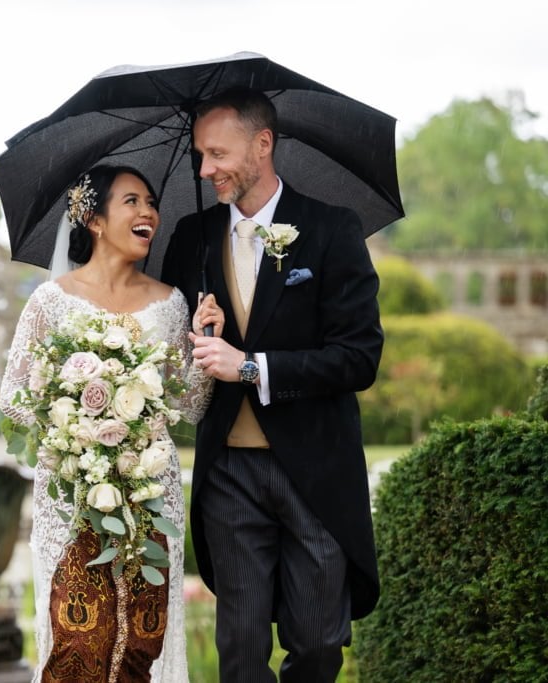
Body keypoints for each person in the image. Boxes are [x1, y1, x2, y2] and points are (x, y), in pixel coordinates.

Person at [161, 87, 383, 682]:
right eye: (201, 156)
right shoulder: (192, 239)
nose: (206, 170)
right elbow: (175, 365)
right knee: (239, 649)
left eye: (218, 154)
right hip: (228, 474)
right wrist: (197, 339)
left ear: (263, 144)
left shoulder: (334, 231)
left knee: (316, 644)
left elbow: (359, 358)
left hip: (313, 471)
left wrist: (253, 365)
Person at [0, 164, 224, 682]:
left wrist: (203, 342)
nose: (148, 212)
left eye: (150, 202)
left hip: (151, 493)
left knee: (141, 635)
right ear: (94, 220)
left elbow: (189, 407)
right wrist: (79, 422)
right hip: (74, 494)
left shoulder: (171, 305)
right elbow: (13, 397)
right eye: (131, 201)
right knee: (78, 635)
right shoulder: (50, 301)